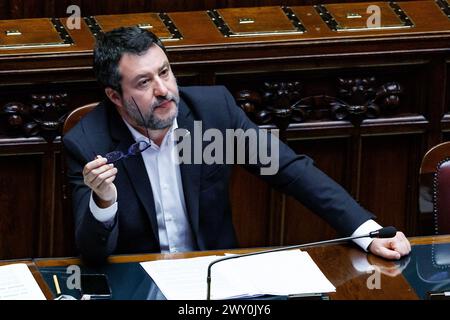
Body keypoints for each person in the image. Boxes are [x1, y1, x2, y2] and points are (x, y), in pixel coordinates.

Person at [63, 26, 411, 265]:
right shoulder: (88, 143)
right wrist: (104, 201)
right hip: (139, 286)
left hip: (217, 280)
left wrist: (367, 232)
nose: (164, 90)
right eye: (144, 82)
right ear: (115, 96)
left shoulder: (211, 113)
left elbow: (289, 169)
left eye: (165, 72)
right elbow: (93, 254)